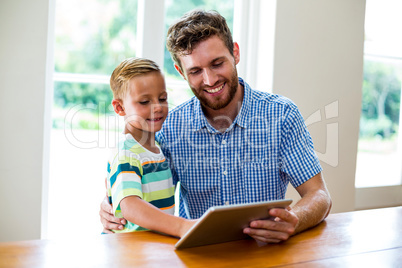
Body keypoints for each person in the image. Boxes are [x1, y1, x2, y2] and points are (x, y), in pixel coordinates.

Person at [100, 9, 332, 244]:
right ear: (181, 72)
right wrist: (111, 206)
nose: (209, 80)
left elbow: (319, 194)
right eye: (195, 71)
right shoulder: (169, 126)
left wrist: (295, 220)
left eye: (217, 63)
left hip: (266, 252)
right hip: (200, 255)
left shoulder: (282, 115)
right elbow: (141, 183)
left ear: (235, 53)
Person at [105, 57, 195, 237]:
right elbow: (130, 206)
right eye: (145, 102)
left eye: (162, 98)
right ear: (120, 107)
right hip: (129, 253)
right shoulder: (127, 151)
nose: (157, 107)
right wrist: (182, 226)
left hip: (151, 249)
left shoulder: (157, 148)